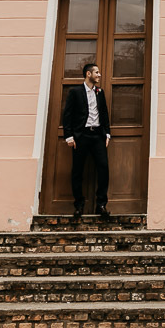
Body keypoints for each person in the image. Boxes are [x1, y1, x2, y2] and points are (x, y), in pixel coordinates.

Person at [62, 62, 111, 219]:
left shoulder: (100, 92)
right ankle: (79, 205)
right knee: (77, 171)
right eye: (96, 72)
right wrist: (69, 136)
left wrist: (107, 134)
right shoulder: (75, 92)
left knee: (103, 168)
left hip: (97, 136)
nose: (99, 75)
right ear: (88, 74)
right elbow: (67, 115)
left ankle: (101, 205)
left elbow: (104, 113)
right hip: (81, 136)